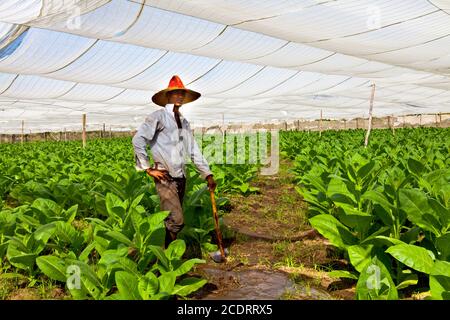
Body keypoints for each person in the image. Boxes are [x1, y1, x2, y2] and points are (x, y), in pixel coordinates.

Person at [132, 75, 216, 248]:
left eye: (182, 94)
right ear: (168, 96)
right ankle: (168, 254)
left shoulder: (184, 122)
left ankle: (168, 255)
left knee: (172, 220)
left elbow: (193, 149)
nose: (179, 96)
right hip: (165, 176)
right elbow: (138, 140)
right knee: (177, 220)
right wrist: (148, 168)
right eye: (176, 93)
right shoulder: (158, 116)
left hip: (181, 176)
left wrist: (207, 174)